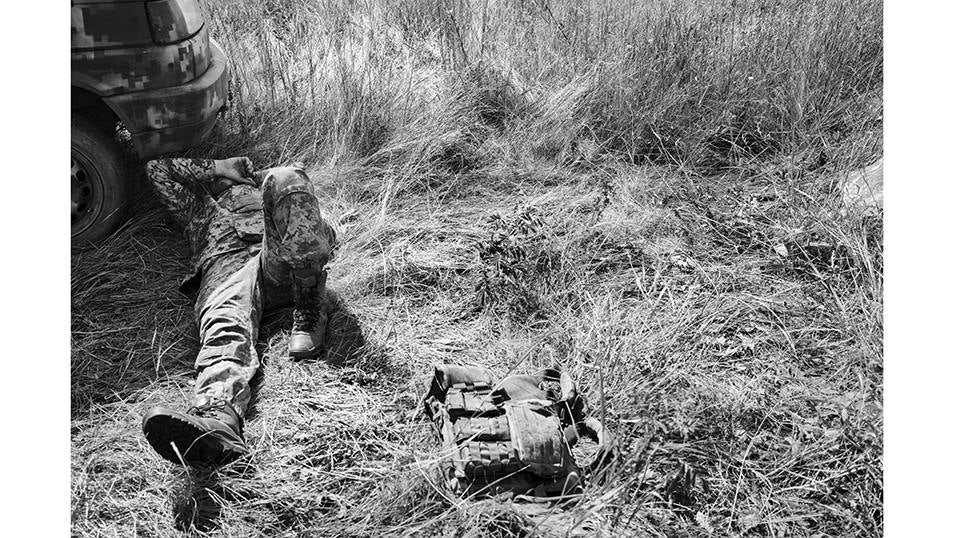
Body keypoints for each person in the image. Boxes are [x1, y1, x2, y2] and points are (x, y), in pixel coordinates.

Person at [139, 156, 337, 466]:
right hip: (227, 278)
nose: (233, 188)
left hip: (278, 266)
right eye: (224, 185)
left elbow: (318, 227)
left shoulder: (270, 197)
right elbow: (157, 169)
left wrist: (258, 180)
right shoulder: (201, 210)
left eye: (240, 183)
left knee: (286, 176)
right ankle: (218, 419)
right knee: (224, 327)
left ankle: (309, 305)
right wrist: (220, 167)